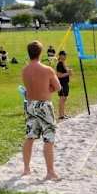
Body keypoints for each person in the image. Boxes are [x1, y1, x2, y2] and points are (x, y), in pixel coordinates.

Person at [21, 40, 61, 180]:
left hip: (30, 105)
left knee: (30, 136)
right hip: (44, 106)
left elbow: (28, 89)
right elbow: (58, 87)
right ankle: (50, 172)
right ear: (40, 53)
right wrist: (47, 90)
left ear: (29, 53)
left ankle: (26, 169)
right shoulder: (47, 69)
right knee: (49, 138)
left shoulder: (24, 70)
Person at [56, 51, 73, 120]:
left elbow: (65, 72)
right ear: (60, 56)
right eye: (64, 55)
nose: (65, 56)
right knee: (62, 98)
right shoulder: (59, 64)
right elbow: (59, 75)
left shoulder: (63, 63)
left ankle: (63, 114)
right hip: (62, 83)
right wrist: (68, 73)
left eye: (65, 55)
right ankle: (61, 115)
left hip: (65, 83)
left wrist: (69, 71)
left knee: (64, 99)